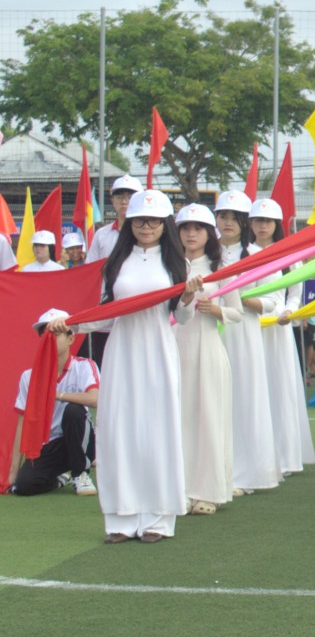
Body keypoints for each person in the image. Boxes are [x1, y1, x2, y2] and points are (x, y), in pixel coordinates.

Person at [51, 189, 194, 543]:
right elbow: (105, 314)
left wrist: (189, 295)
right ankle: (121, 518)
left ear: (165, 225)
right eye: (140, 220)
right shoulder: (116, 264)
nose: (147, 227)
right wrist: (70, 323)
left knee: (158, 431)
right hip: (122, 354)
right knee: (119, 430)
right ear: (129, 223)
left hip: (159, 353)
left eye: (154, 221)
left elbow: (182, 317)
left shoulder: (177, 264)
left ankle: (158, 518)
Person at [213, 191, 280, 495]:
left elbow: (272, 301)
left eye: (234, 217)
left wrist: (238, 299)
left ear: (245, 222)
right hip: (208, 333)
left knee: (243, 398)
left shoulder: (257, 256)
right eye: (222, 216)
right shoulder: (205, 253)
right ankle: (213, 471)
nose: (227, 222)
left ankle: (245, 473)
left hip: (243, 335)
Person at [172, 204, 235, 515]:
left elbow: (237, 312)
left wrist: (217, 310)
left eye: (198, 228)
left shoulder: (221, 269)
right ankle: (180, 489)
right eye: (185, 228)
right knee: (178, 419)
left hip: (208, 349)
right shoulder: (169, 267)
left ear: (210, 233)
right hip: (174, 349)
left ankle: (208, 491)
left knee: (209, 417)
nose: (191, 234)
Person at [250, 198, 315, 474]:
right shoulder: (244, 253)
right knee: (254, 388)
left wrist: (290, 311)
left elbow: (295, 294)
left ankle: (285, 455)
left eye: (267, 221)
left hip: (278, 327)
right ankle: (257, 455)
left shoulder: (289, 255)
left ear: (276, 224)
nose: (262, 226)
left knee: (280, 387)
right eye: (258, 220)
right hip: (250, 325)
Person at [8, 309, 98, 497]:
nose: (49, 338)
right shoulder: (29, 377)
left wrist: (58, 394)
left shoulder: (84, 366)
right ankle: (61, 478)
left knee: (74, 411)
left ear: (71, 339)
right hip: (50, 445)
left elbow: (95, 399)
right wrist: (12, 474)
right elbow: (22, 424)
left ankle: (80, 473)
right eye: (44, 334)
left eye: (55, 334)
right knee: (23, 486)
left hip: (81, 436)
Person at [84, 175, 142, 264]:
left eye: (129, 197)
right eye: (119, 197)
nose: (124, 202)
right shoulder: (101, 234)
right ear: (112, 200)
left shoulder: (146, 234)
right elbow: (91, 266)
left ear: (140, 200)